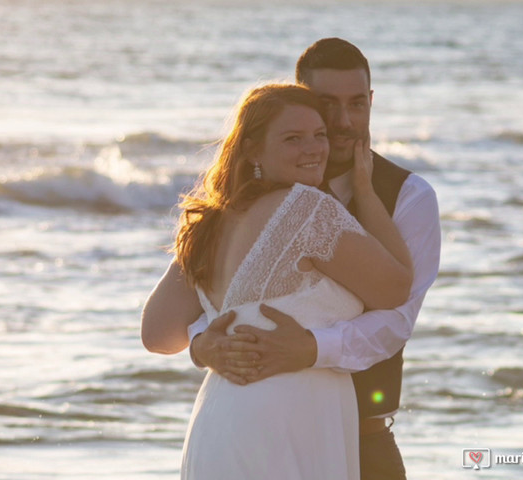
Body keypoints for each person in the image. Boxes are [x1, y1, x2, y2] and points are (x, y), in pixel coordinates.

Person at [142, 38, 441, 480]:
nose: (341, 123)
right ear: (301, 97)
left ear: (372, 102)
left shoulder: (409, 196)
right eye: (324, 108)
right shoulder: (258, 208)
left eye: (357, 104)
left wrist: (311, 349)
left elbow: (396, 319)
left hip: (353, 431)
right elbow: (164, 331)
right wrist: (205, 344)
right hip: (284, 426)